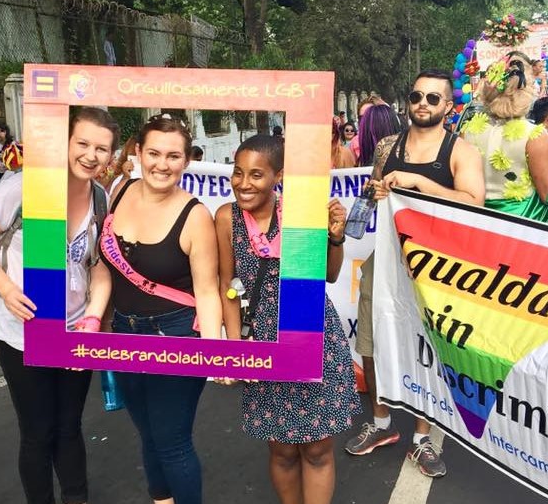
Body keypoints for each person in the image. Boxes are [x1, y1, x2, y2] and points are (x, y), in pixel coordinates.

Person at [0, 107, 118, 504]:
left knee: (69, 426)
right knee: (37, 431)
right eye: (82, 143)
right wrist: (5, 288)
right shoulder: (23, 187)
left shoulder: (100, 197)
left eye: (101, 148)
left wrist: (95, 317)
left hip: (77, 329)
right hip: (22, 334)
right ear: (64, 143)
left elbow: (98, 265)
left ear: (111, 155)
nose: (90, 155)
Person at [344, 69, 485, 478]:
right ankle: (382, 423)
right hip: (384, 261)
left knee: (425, 349)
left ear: (448, 106)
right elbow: (369, 198)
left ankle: (422, 438)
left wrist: (418, 181)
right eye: (416, 96)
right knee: (369, 340)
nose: (422, 103)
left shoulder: (461, 151)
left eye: (432, 98)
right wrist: (363, 207)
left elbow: (473, 203)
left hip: (433, 270)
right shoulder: (389, 145)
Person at [215, 135, 360, 504]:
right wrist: (235, 349)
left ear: (278, 176)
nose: (244, 183)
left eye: (257, 174)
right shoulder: (226, 218)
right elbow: (226, 285)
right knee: (281, 450)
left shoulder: (301, 212)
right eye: (238, 172)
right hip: (261, 345)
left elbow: (328, 274)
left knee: (317, 450)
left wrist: (336, 238)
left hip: (313, 338)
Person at [101, 113, 222, 504]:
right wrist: (92, 319)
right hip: (123, 332)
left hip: (176, 335)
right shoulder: (120, 191)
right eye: (153, 153)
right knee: (149, 435)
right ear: (138, 152)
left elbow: (207, 290)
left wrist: (215, 351)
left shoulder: (196, 216)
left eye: (173, 156)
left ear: (186, 161)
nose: (162, 164)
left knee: (172, 442)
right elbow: (106, 267)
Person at [462, 55, 548, 224]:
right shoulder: (535, 135)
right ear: (526, 92)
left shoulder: (468, 131)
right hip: (522, 225)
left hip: (479, 221)